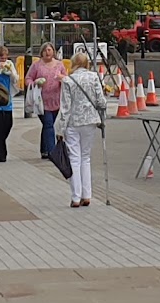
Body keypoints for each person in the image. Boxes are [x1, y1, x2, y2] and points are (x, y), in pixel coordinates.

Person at [60, 47, 110, 207]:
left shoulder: (68, 80)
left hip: (73, 122)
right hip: (90, 121)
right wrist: (102, 117)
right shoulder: (94, 77)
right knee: (85, 157)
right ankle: (87, 195)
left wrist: (60, 128)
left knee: (74, 158)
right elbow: (101, 102)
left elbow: (65, 107)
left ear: (73, 63)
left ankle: (75, 197)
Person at [31, 44, 67, 158]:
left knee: (47, 126)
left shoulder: (59, 65)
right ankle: (52, 152)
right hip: (41, 101)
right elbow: (28, 79)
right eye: (45, 50)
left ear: (53, 52)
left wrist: (62, 79)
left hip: (56, 100)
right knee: (48, 124)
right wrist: (35, 82)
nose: (47, 52)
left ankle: (44, 150)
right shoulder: (36, 65)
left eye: (50, 50)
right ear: (41, 52)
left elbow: (66, 79)